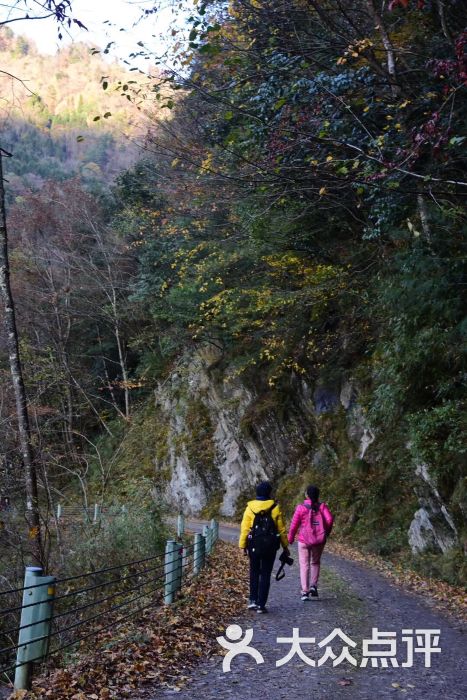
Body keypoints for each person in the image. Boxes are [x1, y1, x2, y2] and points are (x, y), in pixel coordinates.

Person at [239, 481, 290, 614]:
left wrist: (242, 545)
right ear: (269, 493)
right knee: (266, 573)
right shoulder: (275, 508)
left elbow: (245, 529)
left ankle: (252, 600)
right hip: (270, 546)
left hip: (254, 545)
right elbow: (281, 529)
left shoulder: (249, 508)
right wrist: (285, 546)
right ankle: (261, 605)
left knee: (254, 571)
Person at [288, 485, 334, 601]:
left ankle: (305, 591)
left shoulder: (301, 508)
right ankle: (313, 586)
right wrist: (325, 532)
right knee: (315, 562)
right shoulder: (322, 507)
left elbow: (294, 525)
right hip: (318, 540)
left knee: (304, 565)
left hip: (304, 540)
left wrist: (290, 538)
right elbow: (329, 519)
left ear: (306, 495)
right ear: (318, 495)